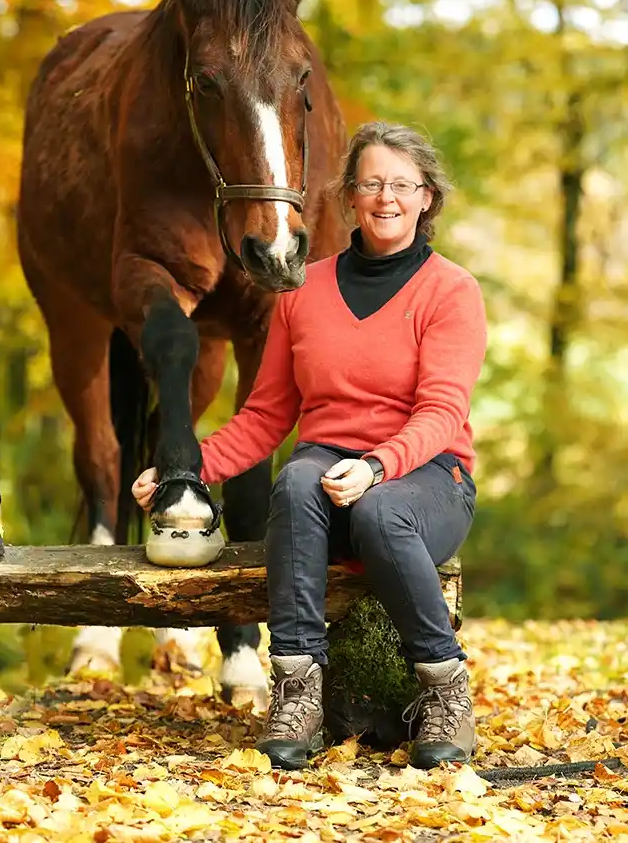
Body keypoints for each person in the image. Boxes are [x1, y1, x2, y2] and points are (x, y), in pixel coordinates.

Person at [134, 121, 487, 771]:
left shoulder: (451, 291)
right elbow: (266, 416)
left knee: (383, 510)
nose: (387, 198)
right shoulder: (304, 293)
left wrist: (379, 465)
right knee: (297, 479)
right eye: (372, 182)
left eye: (402, 185)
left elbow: (443, 413)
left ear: (427, 197)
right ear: (349, 196)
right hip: (324, 484)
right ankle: (297, 691)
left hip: (429, 480)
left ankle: (444, 691)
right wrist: (184, 472)